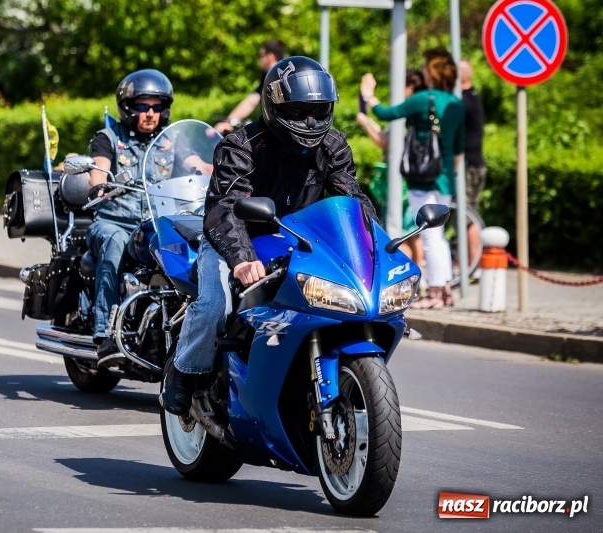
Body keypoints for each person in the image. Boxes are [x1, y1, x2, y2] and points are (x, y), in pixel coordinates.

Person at [160, 56, 379, 415]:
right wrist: (242, 258)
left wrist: (376, 248)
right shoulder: (241, 145)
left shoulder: (333, 146)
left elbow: (351, 199)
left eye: (318, 110)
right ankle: (185, 369)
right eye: (297, 110)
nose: (310, 121)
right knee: (216, 303)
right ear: (274, 105)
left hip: (297, 239)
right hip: (233, 237)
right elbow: (224, 208)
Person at [86, 68, 212, 363]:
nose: (150, 113)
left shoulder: (172, 139)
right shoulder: (109, 137)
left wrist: (224, 172)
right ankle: (105, 332)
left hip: (154, 222)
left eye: (157, 106)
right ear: (129, 107)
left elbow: (198, 166)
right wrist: (100, 182)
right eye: (143, 106)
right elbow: (99, 168)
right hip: (114, 222)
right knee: (115, 242)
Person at [361, 47, 465, 309]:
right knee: (438, 234)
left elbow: (387, 113)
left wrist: (369, 96)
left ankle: (436, 293)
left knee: (429, 236)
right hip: (445, 178)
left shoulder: (424, 99)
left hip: (424, 177)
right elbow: (459, 149)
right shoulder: (456, 105)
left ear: (431, 72)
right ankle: (446, 291)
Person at [357, 68, 425, 266]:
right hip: (403, 177)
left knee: (407, 231)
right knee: (410, 231)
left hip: (401, 179)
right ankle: (418, 272)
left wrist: (368, 100)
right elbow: (386, 137)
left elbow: (386, 143)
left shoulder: (408, 112)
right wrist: (367, 122)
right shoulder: (410, 112)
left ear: (410, 87)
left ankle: (415, 271)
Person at [213, 39, 286, 135]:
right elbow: (255, 97)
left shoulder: (274, 76)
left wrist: (227, 122)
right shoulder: (280, 72)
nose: (259, 59)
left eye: (261, 55)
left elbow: (252, 101)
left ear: (270, 57)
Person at [460, 58, 486, 271]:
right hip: (474, 163)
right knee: (468, 214)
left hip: (468, 166)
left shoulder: (463, 101)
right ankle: (471, 264)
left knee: (467, 216)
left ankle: (473, 266)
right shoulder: (473, 96)